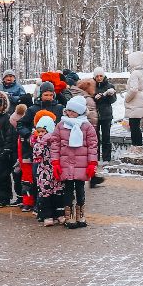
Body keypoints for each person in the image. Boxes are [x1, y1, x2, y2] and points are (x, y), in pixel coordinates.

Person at [50, 96, 98, 228]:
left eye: (73, 111)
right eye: (68, 110)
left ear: (80, 112)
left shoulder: (87, 127)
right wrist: (55, 162)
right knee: (68, 190)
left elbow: (92, 146)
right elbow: (55, 144)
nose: (69, 113)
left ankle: (80, 214)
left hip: (81, 165)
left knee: (81, 189)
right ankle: (69, 215)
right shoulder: (61, 125)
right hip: (66, 164)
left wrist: (92, 163)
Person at [30, 111, 64, 223]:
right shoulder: (38, 143)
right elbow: (36, 156)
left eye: (43, 131)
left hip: (55, 171)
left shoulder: (56, 142)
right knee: (45, 194)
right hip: (44, 173)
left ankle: (58, 214)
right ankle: (47, 215)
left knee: (57, 193)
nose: (40, 134)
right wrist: (41, 143)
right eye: (38, 131)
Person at [91, 70, 117, 180]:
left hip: (106, 115)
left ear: (104, 76)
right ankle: (95, 158)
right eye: (97, 76)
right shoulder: (92, 85)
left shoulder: (109, 85)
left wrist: (108, 96)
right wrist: (95, 98)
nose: (99, 78)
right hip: (95, 115)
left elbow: (113, 100)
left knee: (106, 137)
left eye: (101, 75)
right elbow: (90, 99)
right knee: (95, 138)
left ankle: (106, 158)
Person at [124, 50, 143, 149]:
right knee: (136, 126)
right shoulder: (142, 73)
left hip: (134, 104)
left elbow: (134, 89)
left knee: (134, 127)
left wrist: (127, 98)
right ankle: (137, 147)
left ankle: (136, 148)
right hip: (140, 102)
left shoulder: (134, 73)